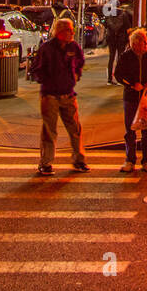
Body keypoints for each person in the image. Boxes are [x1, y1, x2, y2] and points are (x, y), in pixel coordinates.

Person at [30, 18, 89, 176]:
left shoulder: (73, 47)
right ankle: (46, 163)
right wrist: (46, 80)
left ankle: (79, 160)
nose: (71, 33)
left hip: (68, 94)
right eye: (68, 30)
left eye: (72, 30)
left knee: (75, 128)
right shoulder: (47, 48)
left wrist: (76, 75)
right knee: (50, 131)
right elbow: (36, 69)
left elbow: (80, 61)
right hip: (50, 95)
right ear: (60, 32)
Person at [113, 28, 147, 172]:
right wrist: (132, 85)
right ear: (134, 44)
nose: (145, 45)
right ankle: (130, 160)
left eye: (145, 42)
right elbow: (118, 75)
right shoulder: (126, 57)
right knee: (130, 129)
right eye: (141, 42)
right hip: (131, 97)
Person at [104, 5, 133, 85]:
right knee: (120, 58)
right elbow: (128, 27)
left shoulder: (109, 15)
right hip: (121, 39)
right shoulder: (124, 15)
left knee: (111, 58)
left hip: (111, 39)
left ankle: (109, 79)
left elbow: (106, 26)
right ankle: (119, 78)